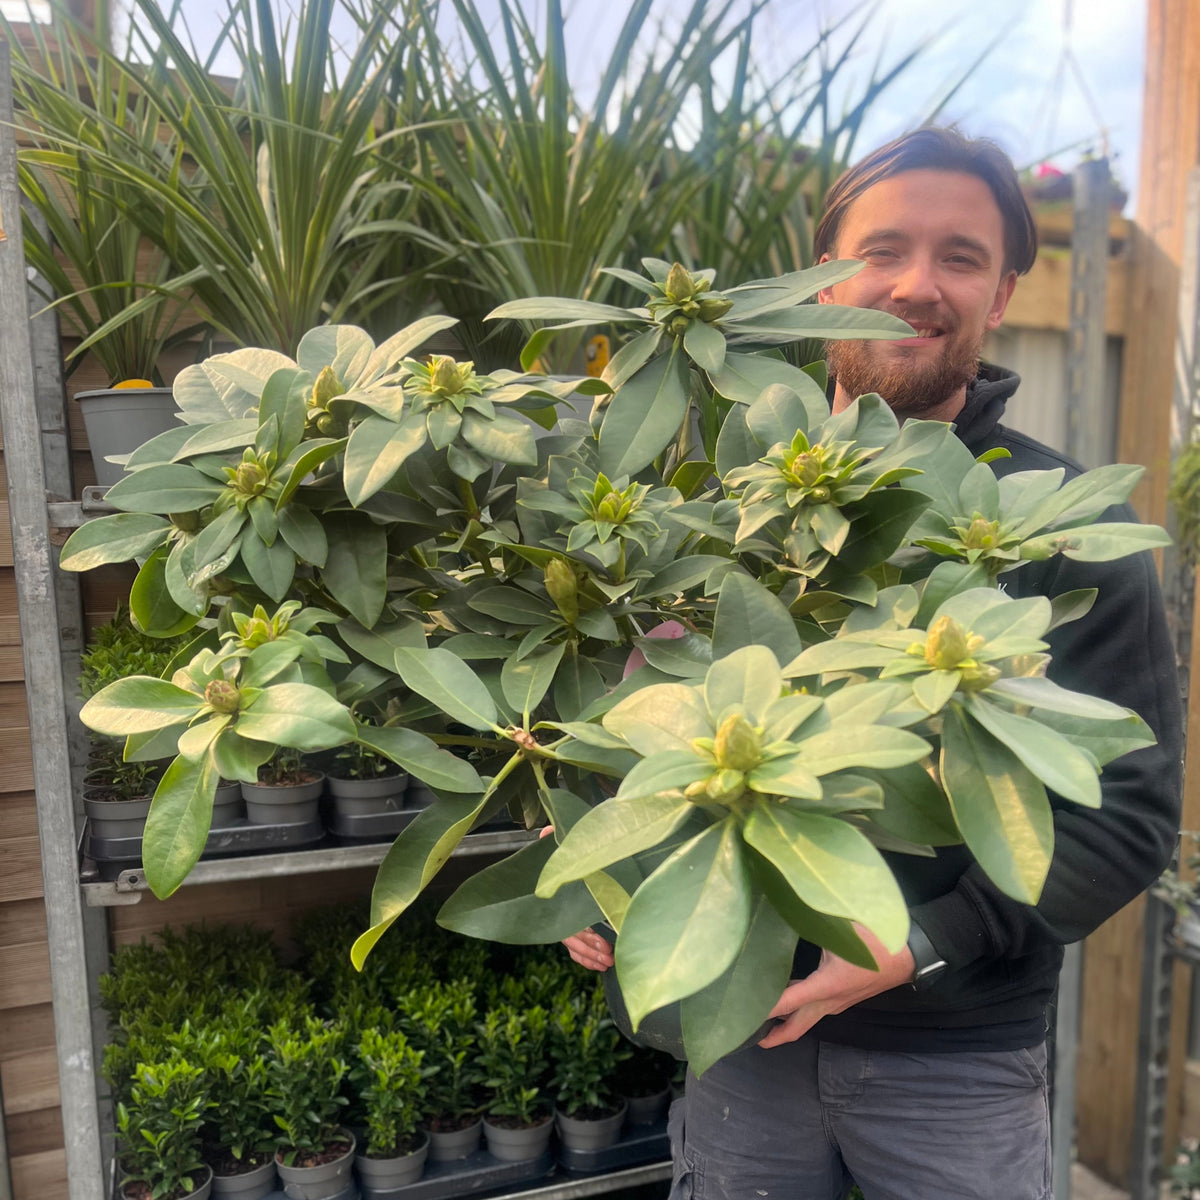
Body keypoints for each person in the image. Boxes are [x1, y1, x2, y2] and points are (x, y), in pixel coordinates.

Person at [561, 127, 1183, 1200]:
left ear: (1003, 292)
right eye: (882, 249)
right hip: (738, 1035)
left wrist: (922, 942)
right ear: (822, 278)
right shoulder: (708, 520)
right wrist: (595, 851)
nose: (915, 285)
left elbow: (1126, 810)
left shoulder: (1061, 530)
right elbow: (623, 721)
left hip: (956, 1061)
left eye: (960, 257)